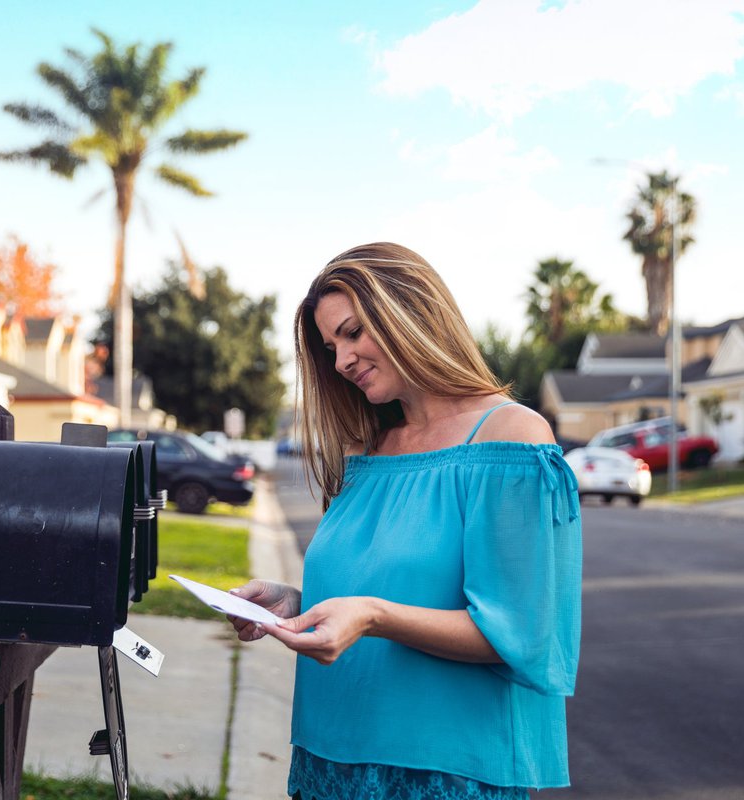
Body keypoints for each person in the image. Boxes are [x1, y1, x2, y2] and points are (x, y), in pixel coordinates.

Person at [229, 242, 582, 799]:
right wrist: (298, 603)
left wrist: (370, 615)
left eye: (352, 332)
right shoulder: (370, 446)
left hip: (444, 770)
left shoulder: (509, 435)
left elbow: (519, 633)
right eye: (330, 346)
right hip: (327, 757)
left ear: (410, 312)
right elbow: (392, 591)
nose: (342, 361)